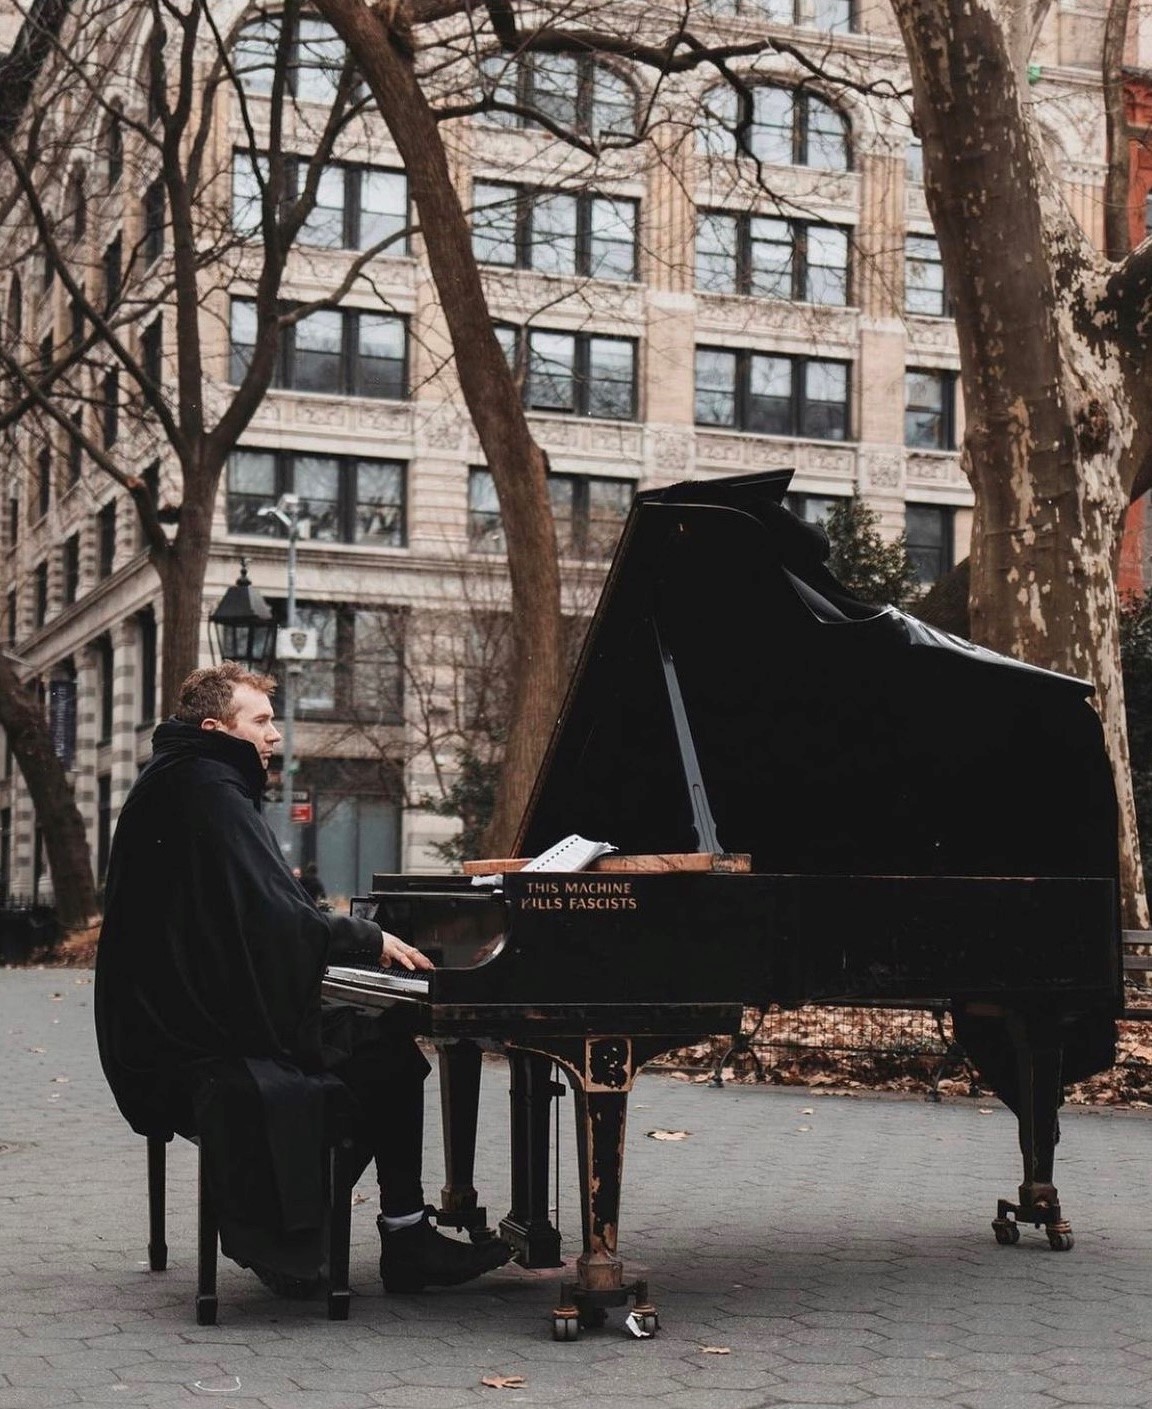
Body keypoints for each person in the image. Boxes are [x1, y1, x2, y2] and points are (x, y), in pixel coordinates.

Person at [95, 662, 511, 1296]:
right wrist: (368, 939)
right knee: (388, 1055)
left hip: (163, 1021)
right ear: (216, 727)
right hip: (192, 1039)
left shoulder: (181, 778)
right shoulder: (208, 787)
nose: (275, 736)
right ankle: (369, 1234)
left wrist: (336, 946)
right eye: (260, 722)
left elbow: (249, 917)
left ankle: (335, 1221)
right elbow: (271, 919)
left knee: (373, 1040)